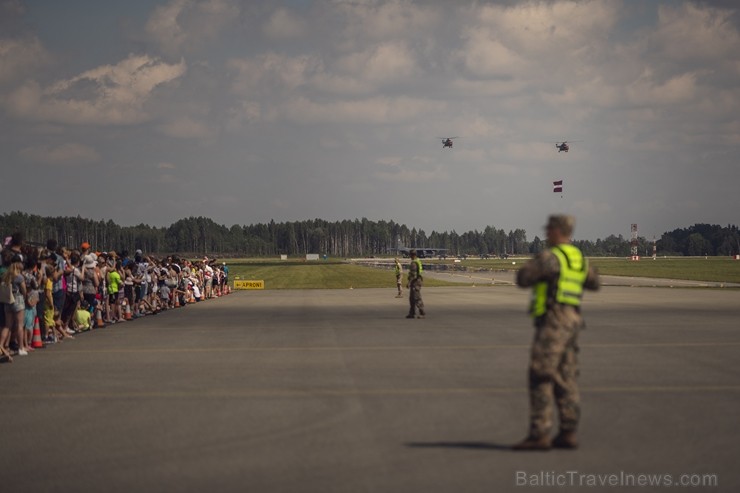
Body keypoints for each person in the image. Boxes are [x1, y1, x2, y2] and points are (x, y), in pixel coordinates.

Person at [512, 214, 600, 451]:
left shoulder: (551, 258)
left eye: (548, 229)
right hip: (573, 320)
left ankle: (539, 433)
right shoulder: (578, 258)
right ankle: (568, 431)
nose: (546, 232)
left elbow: (523, 278)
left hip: (553, 320)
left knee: (541, 373)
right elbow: (594, 282)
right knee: (566, 375)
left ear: (558, 230)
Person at [405, 250, 425, 319]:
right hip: (416, 281)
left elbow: (413, 275)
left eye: (410, 255)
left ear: (412, 255)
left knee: (417, 297)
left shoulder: (414, 263)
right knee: (411, 298)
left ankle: (422, 313)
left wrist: (409, 282)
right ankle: (412, 313)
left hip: (415, 282)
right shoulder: (417, 261)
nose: (409, 256)